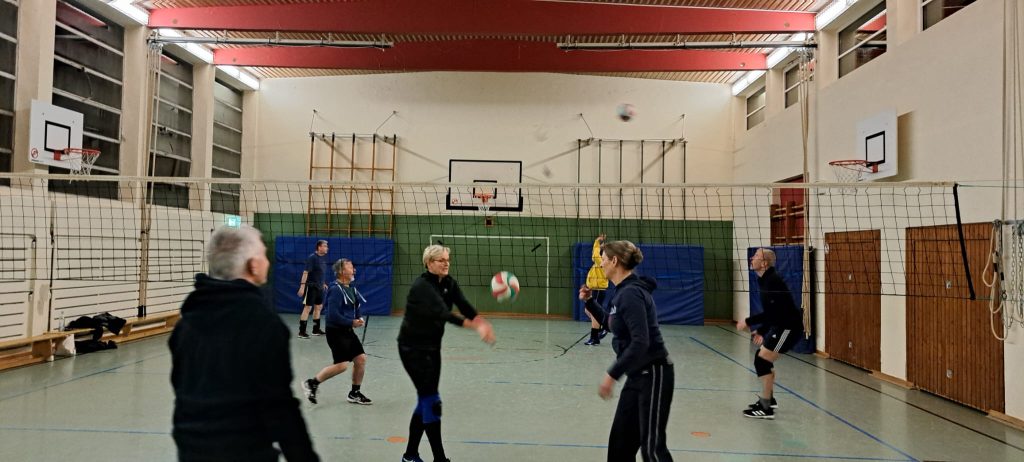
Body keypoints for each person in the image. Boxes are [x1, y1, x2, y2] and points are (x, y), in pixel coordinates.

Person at [170, 226, 318, 462]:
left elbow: (181, 389)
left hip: (190, 448)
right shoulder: (264, 323)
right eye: (263, 254)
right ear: (253, 265)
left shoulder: (185, 324)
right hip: (243, 450)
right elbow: (280, 405)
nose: (267, 262)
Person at [398, 245, 496, 462]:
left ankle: (410, 455)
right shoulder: (421, 286)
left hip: (433, 348)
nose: (446, 263)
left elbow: (464, 305)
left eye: (447, 259)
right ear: (429, 262)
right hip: (412, 349)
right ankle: (440, 459)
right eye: (441, 260)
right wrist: (476, 327)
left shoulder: (449, 283)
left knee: (426, 399)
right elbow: (443, 314)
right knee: (432, 401)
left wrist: (481, 321)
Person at [579, 240, 674, 462]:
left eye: (603, 259)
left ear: (614, 261)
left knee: (652, 450)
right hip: (636, 376)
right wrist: (590, 302)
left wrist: (611, 375)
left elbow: (641, 342)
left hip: (654, 374)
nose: (601, 264)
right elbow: (612, 325)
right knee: (619, 449)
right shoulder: (622, 292)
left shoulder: (631, 294)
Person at [736, 247, 804, 420]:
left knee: (762, 360)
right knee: (761, 358)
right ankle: (769, 400)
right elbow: (773, 311)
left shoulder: (772, 281)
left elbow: (774, 313)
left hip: (788, 328)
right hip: (780, 325)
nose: (752, 258)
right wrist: (762, 330)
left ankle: (766, 407)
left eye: (756, 256)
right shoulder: (765, 279)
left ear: (764, 263)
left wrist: (748, 322)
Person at [302, 258, 373, 406]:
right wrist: (351, 322)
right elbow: (332, 316)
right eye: (350, 267)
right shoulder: (335, 290)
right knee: (342, 365)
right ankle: (312, 383)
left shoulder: (351, 288)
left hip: (347, 331)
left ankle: (354, 393)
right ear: (341, 271)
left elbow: (356, 305)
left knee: (360, 359)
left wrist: (359, 318)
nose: (354, 269)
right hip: (336, 332)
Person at [297, 240, 329, 338]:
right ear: (319, 247)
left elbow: (319, 272)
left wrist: (323, 283)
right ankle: (301, 332)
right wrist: (302, 287)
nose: (327, 248)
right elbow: (305, 272)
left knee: (318, 307)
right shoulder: (312, 258)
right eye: (325, 246)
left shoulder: (322, 258)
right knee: (308, 308)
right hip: (311, 286)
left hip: (320, 287)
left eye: (327, 246)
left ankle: (316, 330)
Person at [583, 233, 609, 345]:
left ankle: (594, 338)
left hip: (599, 290)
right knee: (588, 311)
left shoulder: (602, 263)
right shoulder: (598, 263)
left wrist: (597, 241)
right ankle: (603, 325)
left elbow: (594, 254)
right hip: (594, 289)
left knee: (594, 313)